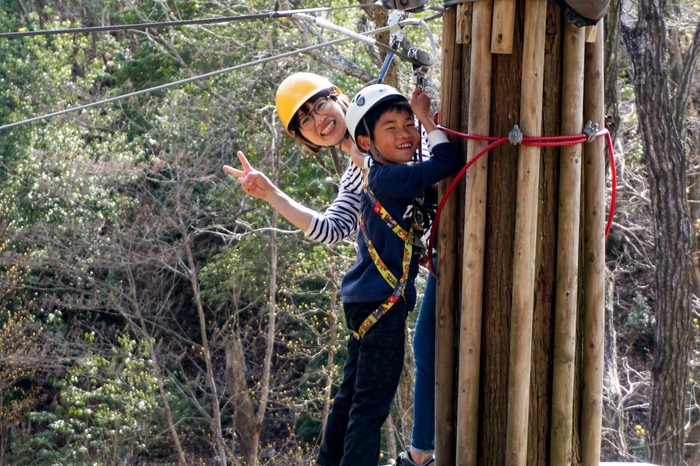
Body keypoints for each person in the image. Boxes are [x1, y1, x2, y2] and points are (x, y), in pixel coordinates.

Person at [224, 73, 438, 465]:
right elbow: (330, 228)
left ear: (337, 98)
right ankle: (416, 453)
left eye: (319, 104)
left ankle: (416, 451)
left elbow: (426, 152)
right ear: (305, 139)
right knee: (369, 399)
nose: (319, 119)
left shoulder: (388, 126)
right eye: (306, 119)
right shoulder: (355, 174)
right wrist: (272, 193)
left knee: (357, 392)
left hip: (387, 285)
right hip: (381, 294)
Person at [315, 84, 461, 466]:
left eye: (408, 124)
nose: (405, 134)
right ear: (365, 141)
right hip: (382, 304)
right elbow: (447, 163)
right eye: (390, 128)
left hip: (367, 300)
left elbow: (426, 196)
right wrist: (429, 122)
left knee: (351, 396)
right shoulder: (391, 178)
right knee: (371, 405)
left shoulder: (388, 176)